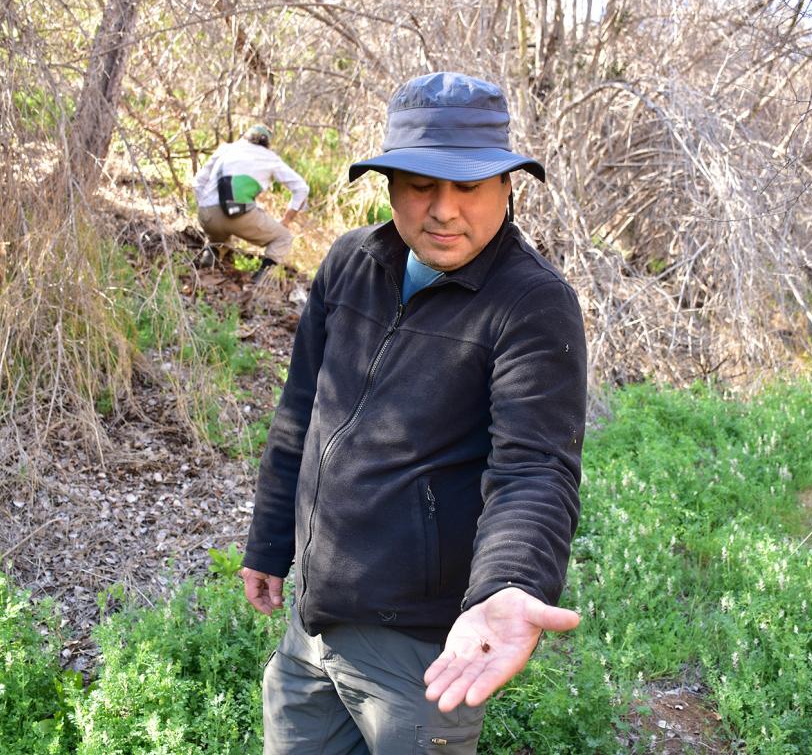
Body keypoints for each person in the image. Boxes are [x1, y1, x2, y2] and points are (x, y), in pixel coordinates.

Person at [239, 72, 588, 753]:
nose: (444, 211)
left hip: (419, 655)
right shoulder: (350, 263)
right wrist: (269, 539)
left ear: (507, 186)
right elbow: (302, 414)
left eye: (468, 186)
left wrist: (510, 583)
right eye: (422, 184)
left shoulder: (531, 304)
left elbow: (535, 471)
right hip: (310, 628)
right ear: (390, 184)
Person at [192, 123, 309, 281]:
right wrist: (286, 220)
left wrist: (205, 206)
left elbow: (198, 182)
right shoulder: (269, 157)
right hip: (239, 215)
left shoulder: (225, 149)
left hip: (208, 216)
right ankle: (260, 281)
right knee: (283, 238)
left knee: (219, 238)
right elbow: (302, 188)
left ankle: (207, 264)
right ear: (266, 143)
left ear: (244, 136)